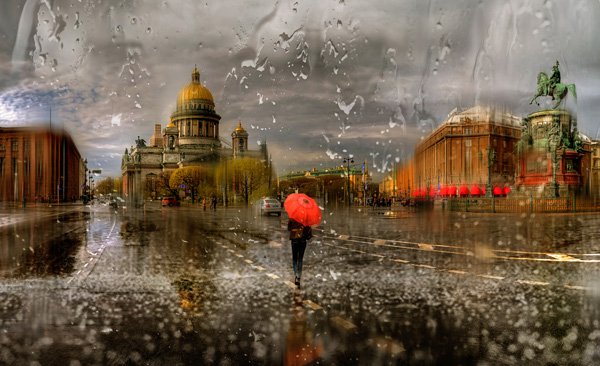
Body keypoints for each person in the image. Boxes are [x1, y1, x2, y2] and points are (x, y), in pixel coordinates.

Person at [287, 219, 312, 288]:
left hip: (294, 240)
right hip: (303, 241)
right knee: (300, 259)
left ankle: (296, 275)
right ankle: (298, 276)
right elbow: (308, 232)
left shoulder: (292, 218)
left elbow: (289, 228)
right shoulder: (306, 219)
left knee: (295, 258)